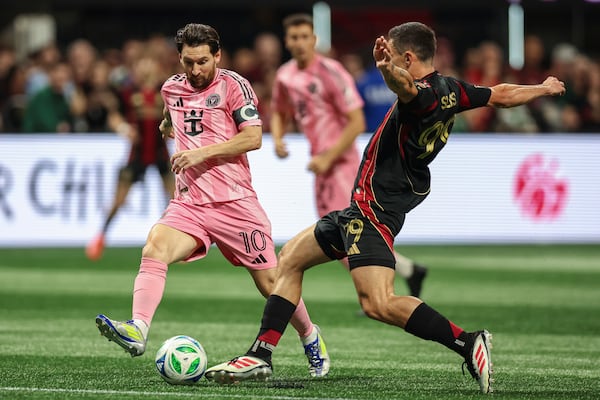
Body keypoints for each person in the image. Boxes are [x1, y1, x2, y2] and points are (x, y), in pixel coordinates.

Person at [204, 22, 566, 393]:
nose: (387, 60)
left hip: (373, 209)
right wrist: (542, 88)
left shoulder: (422, 96)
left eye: (393, 55)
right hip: (361, 207)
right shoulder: (452, 90)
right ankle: (260, 355)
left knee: (378, 303)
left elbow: (406, 87)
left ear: (408, 58)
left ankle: (467, 341)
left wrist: (385, 70)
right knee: (291, 258)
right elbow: (501, 93)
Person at [94, 23, 330, 379]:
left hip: (235, 203)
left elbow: (253, 138)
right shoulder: (171, 88)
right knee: (154, 247)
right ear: (180, 58)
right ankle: (138, 328)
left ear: (217, 55)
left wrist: (200, 153)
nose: (196, 70)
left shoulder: (235, 86)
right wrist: (165, 126)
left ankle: (311, 338)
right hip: (189, 203)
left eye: (203, 61)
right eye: (189, 62)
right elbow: (172, 116)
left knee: (271, 284)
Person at [270, 14, 427, 299]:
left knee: (348, 231)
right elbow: (279, 111)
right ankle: (405, 272)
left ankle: (382, 293)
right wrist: (279, 138)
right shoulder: (285, 76)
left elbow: (356, 122)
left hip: (340, 163)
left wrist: (330, 157)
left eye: (305, 37)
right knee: (343, 232)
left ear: (314, 40)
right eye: (294, 37)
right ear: (287, 41)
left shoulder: (332, 72)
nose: (300, 43)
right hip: (321, 163)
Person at [85, 56, 174, 261]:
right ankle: (100, 238)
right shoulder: (128, 93)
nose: (146, 69)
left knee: (174, 201)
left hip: (161, 154)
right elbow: (115, 116)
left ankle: (173, 244)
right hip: (136, 154)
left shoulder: (166, 92)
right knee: (119, 201)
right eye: (142, 65)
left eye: (150, 64)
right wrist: (123, 128)